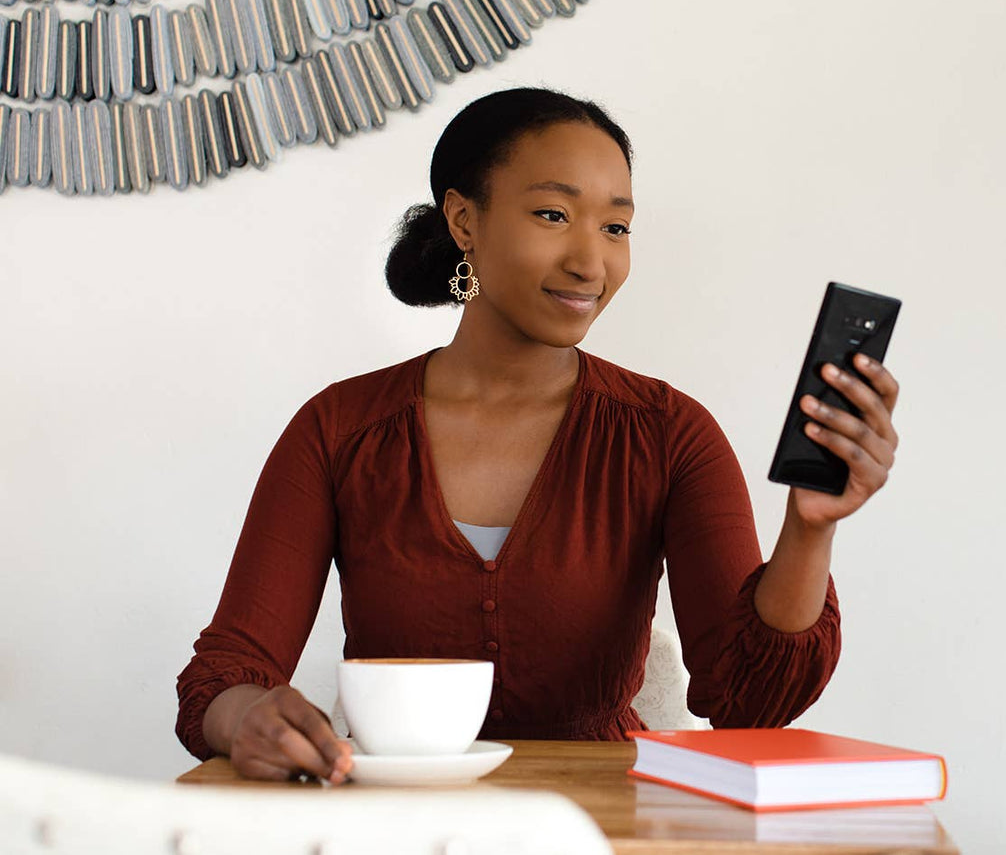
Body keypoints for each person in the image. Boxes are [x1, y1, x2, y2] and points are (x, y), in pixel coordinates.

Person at [175, 88, 901, 784]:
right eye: (553, 215)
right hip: (397, 831)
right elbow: (223, 676)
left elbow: (747, 702)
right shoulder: (338, 431)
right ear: (463, 220)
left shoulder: (669, 435)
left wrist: (809, 530)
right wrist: (249, 720)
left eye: (615, 227)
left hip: (605, 834)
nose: (591, 262)